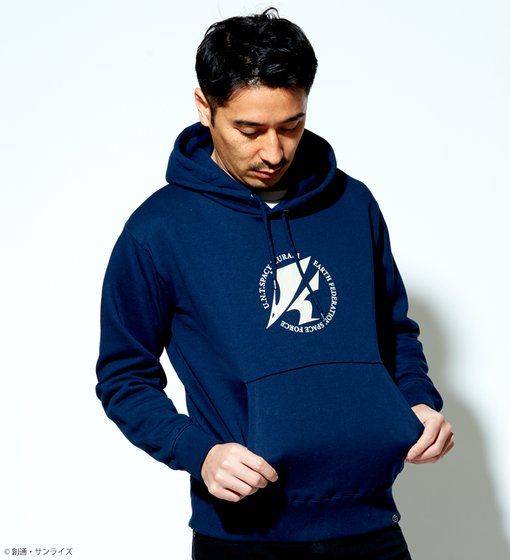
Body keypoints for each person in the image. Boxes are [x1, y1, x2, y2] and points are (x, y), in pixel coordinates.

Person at [94, 6, 454, 559]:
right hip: (244, 537)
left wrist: (418, 401)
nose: (274, 151)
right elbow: (124, 376)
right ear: (205, 107)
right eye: (249, 129)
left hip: (371, 523)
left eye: (291, 126)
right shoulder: (158, 230)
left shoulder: (352, 204)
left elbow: (394, 331)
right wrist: (198, 452)